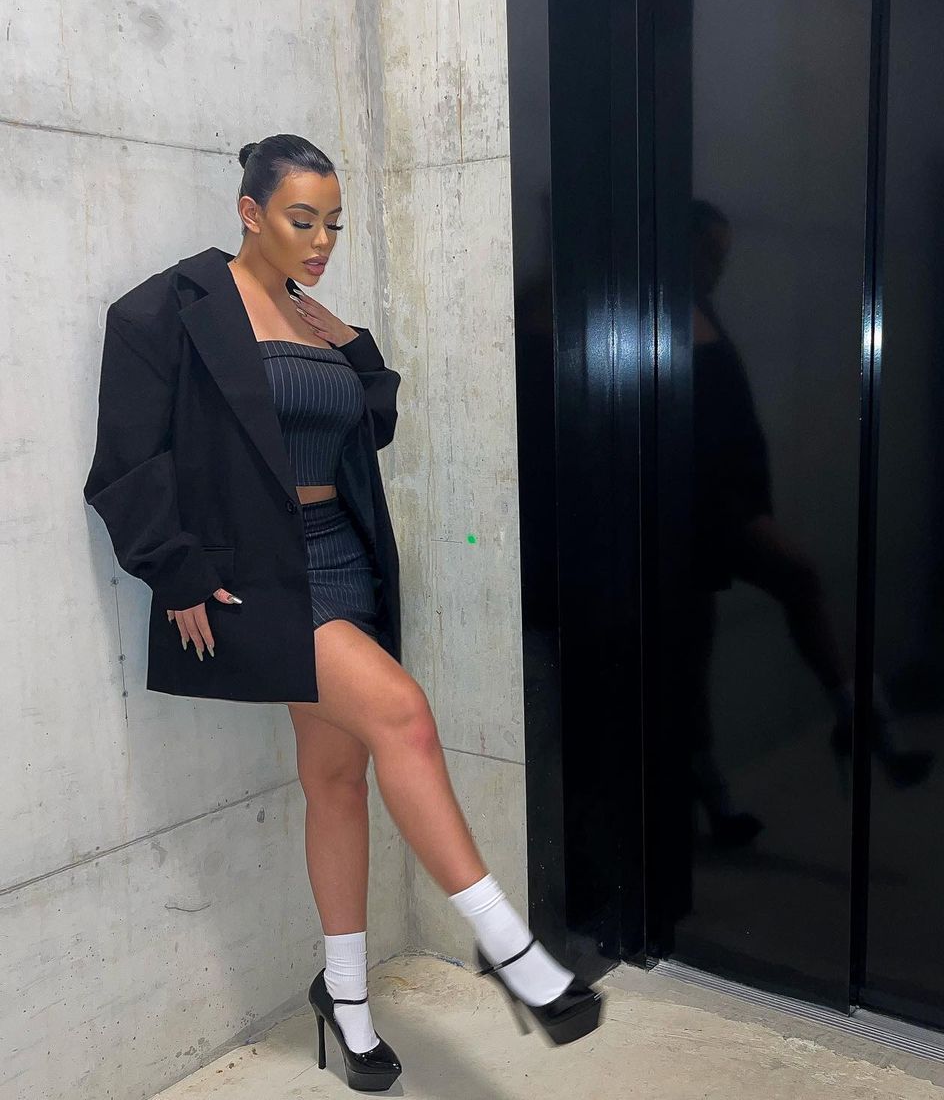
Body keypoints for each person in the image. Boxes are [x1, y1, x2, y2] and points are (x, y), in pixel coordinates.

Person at [83, 134, 603, 1092]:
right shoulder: (169, 307)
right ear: (250, 213)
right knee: (404, 714)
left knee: (337, 782)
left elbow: (373, 424)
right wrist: (176, 572)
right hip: (257, 577)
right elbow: (125, 460)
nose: (321, 241)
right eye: (301, 220)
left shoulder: (309, 316)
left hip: (345, 561)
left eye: (333, 224)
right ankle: (508, 945)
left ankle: (348, 1002)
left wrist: (353, 344)